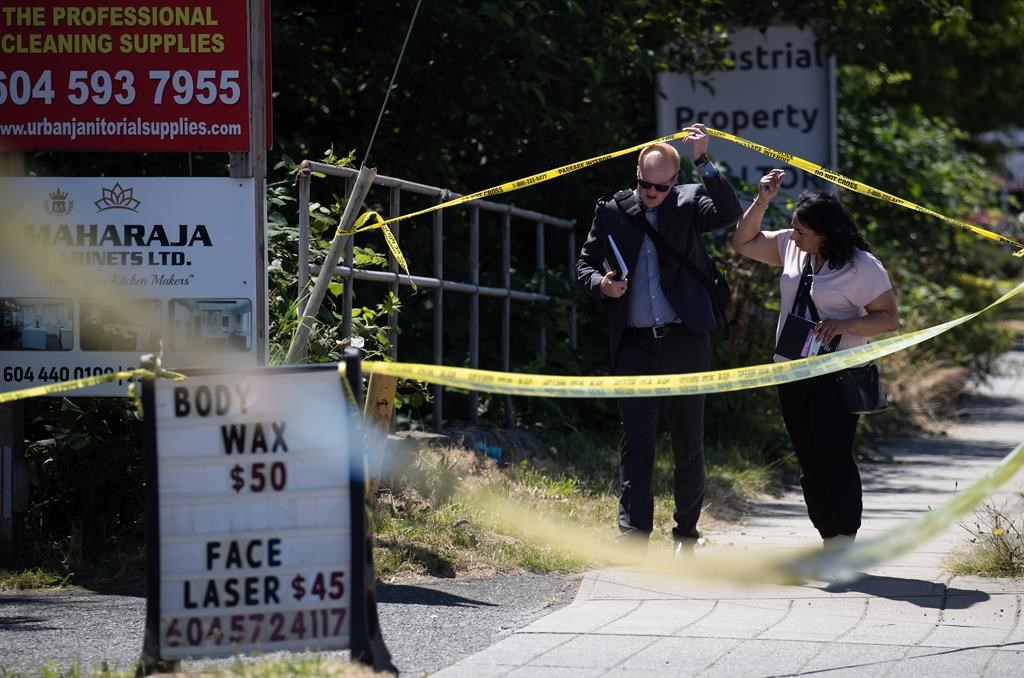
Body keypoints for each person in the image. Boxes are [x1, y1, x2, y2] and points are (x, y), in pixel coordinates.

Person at [576, 124, 742, 554]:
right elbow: (585, 265)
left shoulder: (688, 203)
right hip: (635, 344)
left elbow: (727, 212)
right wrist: (602, 285)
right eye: (644, 184)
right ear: (636, 175)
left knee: (688, 444)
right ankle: (633, 537)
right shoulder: (612, 210)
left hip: (685, 338)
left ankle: (686, 534)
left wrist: (704, 160)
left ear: (674, 181)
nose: (650, 193)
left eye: (660, 187)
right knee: (636, 444)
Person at [730, 169, 899, 547]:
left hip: (838, 374)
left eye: (803, 231)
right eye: (794, 229)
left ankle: (845, 541)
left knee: (833, 457)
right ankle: (827, 538)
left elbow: (889, 319)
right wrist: (761, 200)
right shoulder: (792, 245)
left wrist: (845, 324)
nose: (796, 236)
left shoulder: (862, 266)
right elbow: (743, 243)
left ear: (827, 233)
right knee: (808, 461)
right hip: (793, 370)